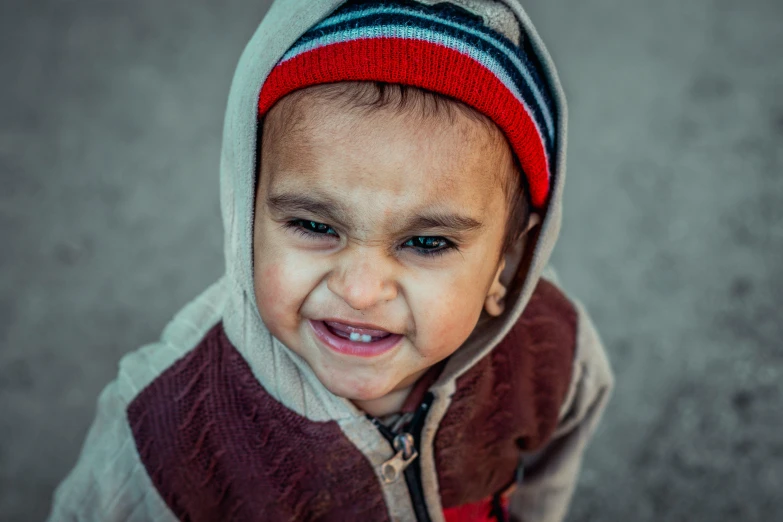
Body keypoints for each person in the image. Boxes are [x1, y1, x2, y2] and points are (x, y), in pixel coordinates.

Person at [47, 1, 614, 521]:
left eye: (427, 243)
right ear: (246, 211)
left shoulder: (549, 345)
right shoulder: (166, 428)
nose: (362, 291)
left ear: (508, 265)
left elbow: (547, 473)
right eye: (316, 227)